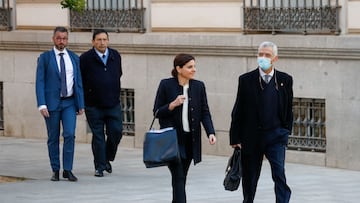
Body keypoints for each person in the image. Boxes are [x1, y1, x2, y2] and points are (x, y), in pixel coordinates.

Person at [229, 41, 293, 203]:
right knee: (250, 178)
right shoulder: (246, 80)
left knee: (279, 175)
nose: (263, 58)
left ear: (275, 58)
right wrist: (235, 138)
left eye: (267, 55)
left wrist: (285, 132)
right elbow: (238, 110)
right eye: (260, 54)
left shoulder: (285, 80)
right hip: (251, 137)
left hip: (276, 137)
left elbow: (288, 108)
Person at [153, 53, 217, 203]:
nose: (194, 70)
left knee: (181, 177)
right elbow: (156, 112)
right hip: (172, 140)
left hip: (190, 140)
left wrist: (211, 132)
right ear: (179, 68)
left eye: (194, 66)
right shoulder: (166, 85)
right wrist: (172, 104)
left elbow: (205, 112)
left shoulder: (198, 86)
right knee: (179, 176)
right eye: (190, 67)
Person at [35, 26, 85, 182]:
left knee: (70, 134)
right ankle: (55, 169)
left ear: (67, 40)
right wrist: (42, 104)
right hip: (51, 104)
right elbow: (39, 82)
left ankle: (68, 169)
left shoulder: (74, 58)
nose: (61, 41)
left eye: (64, 38)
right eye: (58, 38)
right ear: (53, 39)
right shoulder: (45, 58)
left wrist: (80, 104)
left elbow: (78, 83)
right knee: (53, 137)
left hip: (69, 102)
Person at [80, 29, 123, 177]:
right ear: (93, 42)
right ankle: (99, 166)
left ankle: (106, 158)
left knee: (116, 132)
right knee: (98, 136)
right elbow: (81, 81)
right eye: (98, 39)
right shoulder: (85, 58)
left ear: (108, 41)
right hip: (93, 105)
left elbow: (118, 74)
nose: (102, 42)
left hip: (113, 104)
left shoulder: (115, 55)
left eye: (104, 39)